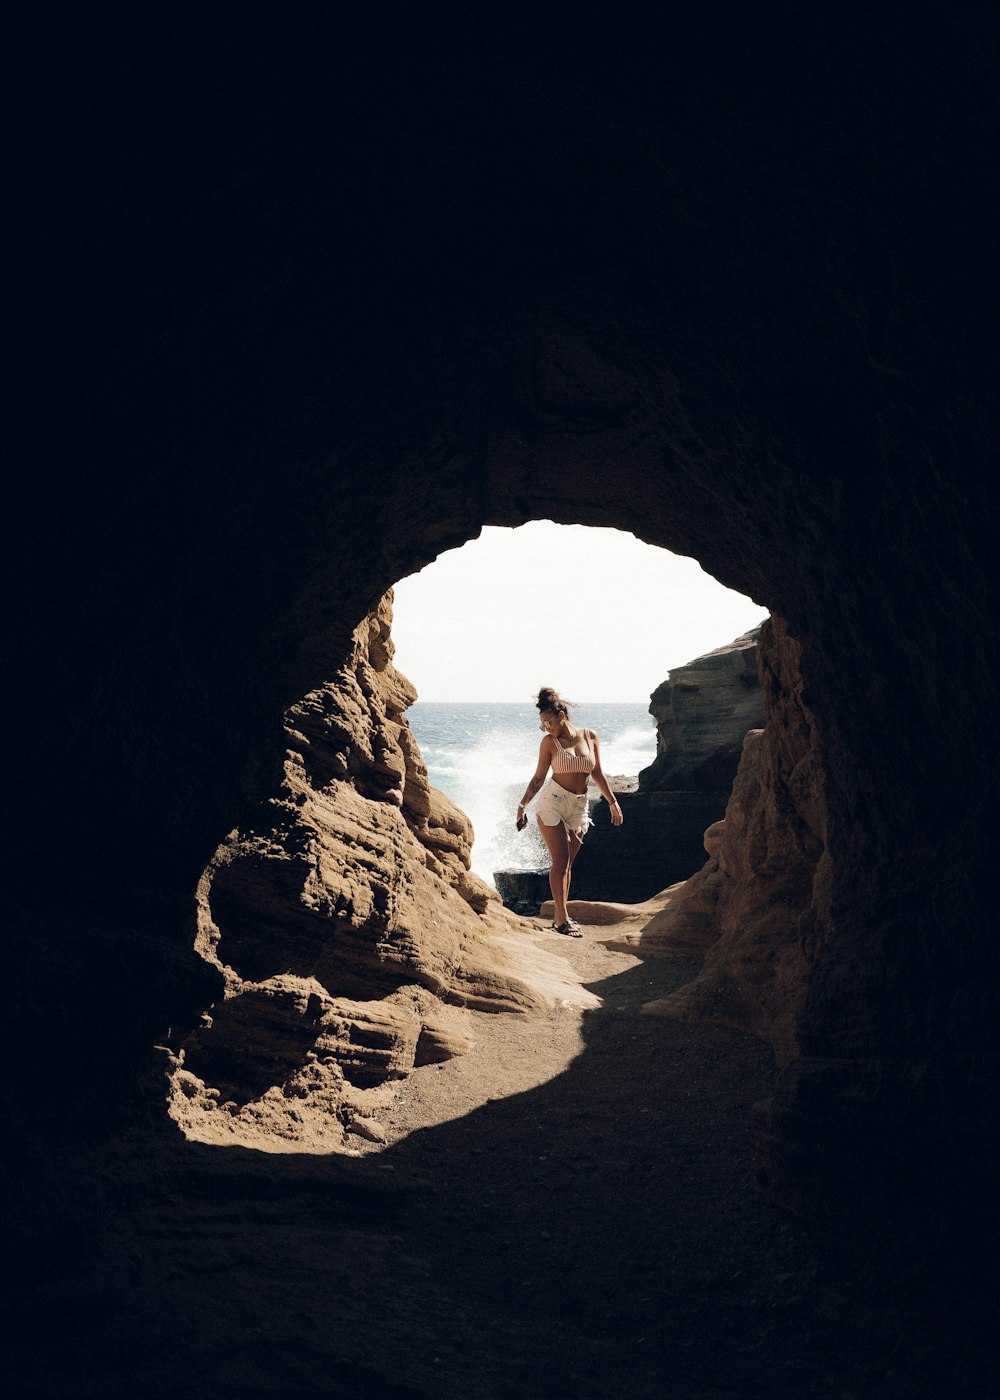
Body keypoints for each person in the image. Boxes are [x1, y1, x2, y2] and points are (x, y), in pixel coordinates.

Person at [516, 687, 623, 936]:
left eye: (549, 722)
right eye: (542, 725)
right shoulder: (548, 743)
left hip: (579, 805)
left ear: (561, 715)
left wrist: (612, 801)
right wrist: (522, 806)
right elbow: (538, 779)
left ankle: (562, 915)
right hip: (553, 801)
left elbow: (596, 773)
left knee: (568, 864)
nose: (546, 728)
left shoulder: (589, 736)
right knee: (560, 859)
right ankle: (561, 920)